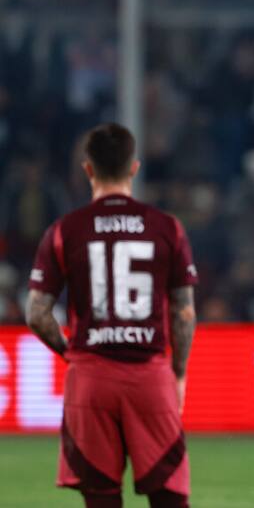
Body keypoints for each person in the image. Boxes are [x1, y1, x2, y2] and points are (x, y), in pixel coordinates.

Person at [25, 123, 198, 508]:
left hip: (90, 376)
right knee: (169, 495)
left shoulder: (63, 231)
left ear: (88, 169)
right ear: (134, 168)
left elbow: (37, 313)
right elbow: (184, 311)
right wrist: (180, 372)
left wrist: (72, 353)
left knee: (101, 498)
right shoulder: (166, 227)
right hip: (149, 375)